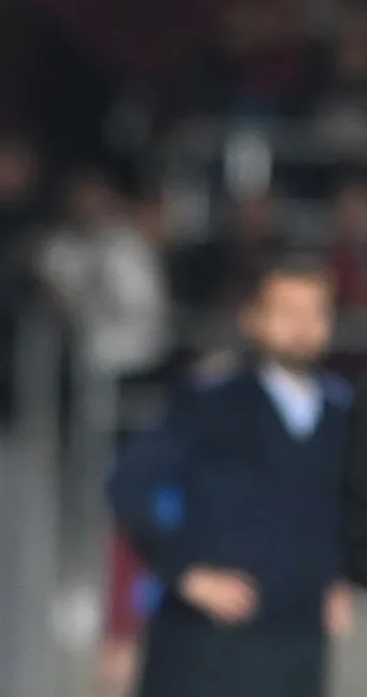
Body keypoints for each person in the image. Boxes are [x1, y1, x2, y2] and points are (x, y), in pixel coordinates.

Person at [107, 253, 355, 697]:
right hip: (206, 647)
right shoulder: (209, 404)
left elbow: (342, 508)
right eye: (286, 311)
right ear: (253, 319)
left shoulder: (343, 416)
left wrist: (340, 575)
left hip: (297, 646)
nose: (301, 326)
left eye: (315, 311)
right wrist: (185, 572)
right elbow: (128, 486)